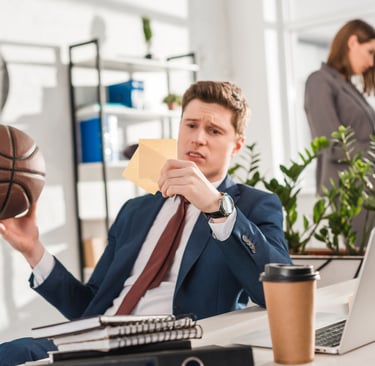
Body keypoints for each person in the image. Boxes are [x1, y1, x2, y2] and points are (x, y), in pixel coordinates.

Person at [0, 80, 291, 364]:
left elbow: (279, 293)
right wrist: (33, 250)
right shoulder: (135, 210)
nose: (198, 138)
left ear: (237, 145)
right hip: (95, 343)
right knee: (14, 352)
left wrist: (216, 207)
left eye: (214, 130)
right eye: (190, 125)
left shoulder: (254, 205)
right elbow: (88, 307)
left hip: (171, 349)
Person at [304, 19, 375, 246]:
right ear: (352, 42)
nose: (371, 61)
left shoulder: (350, 88)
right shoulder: (319, 81)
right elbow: (332, 144)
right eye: (370, 52)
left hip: (366, 186)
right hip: (349, 190)